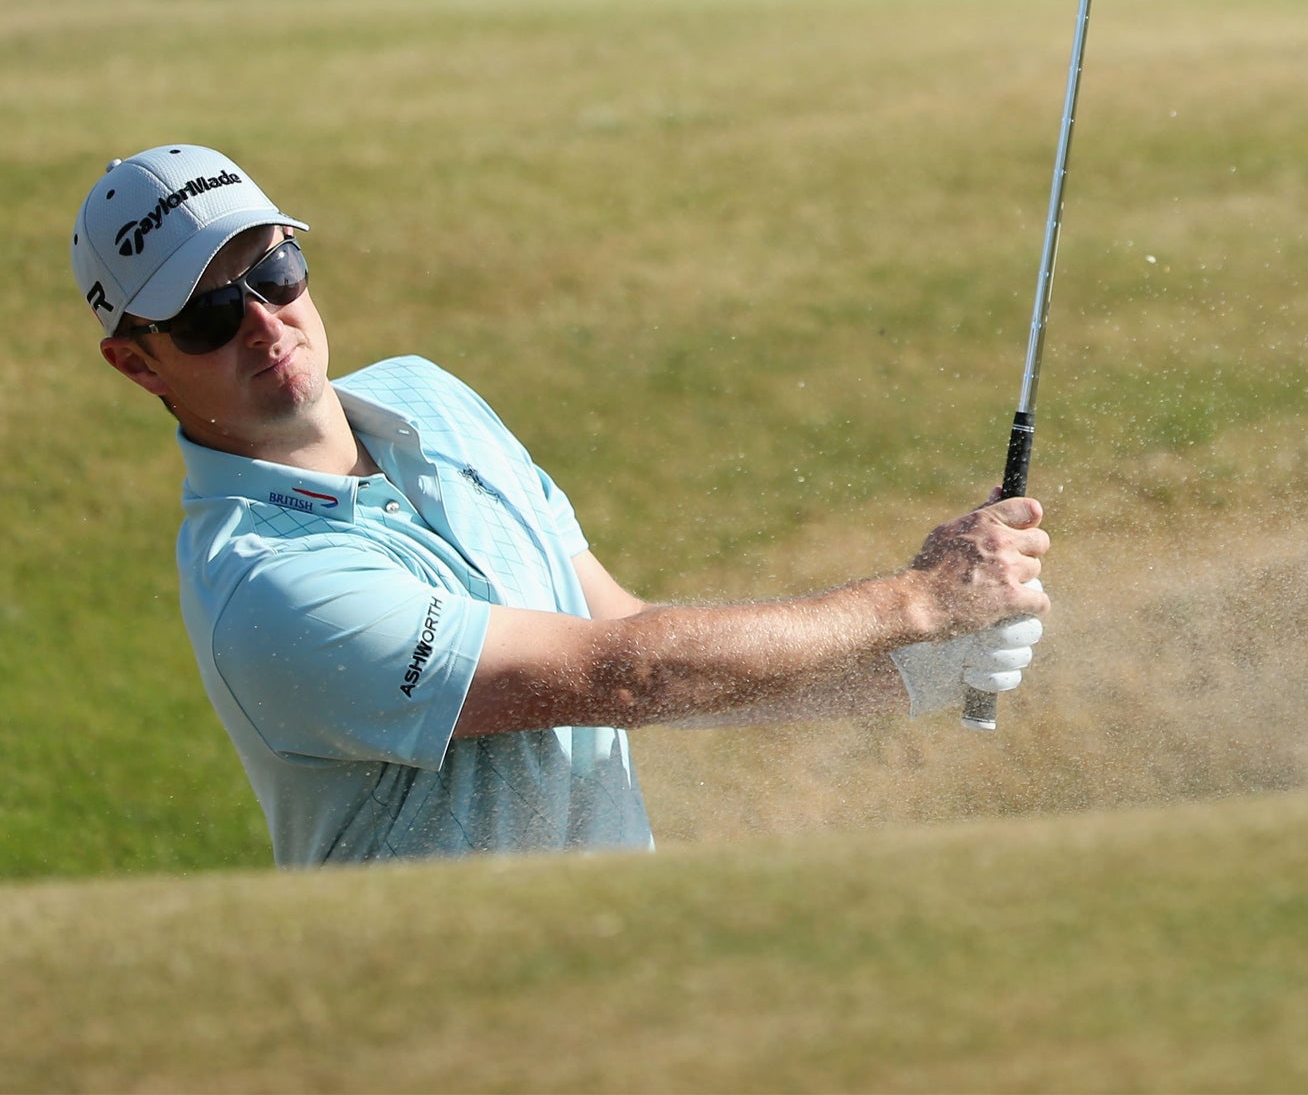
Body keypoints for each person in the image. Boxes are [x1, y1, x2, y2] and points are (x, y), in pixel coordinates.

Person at [73, 144, 1050, 867]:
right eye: (205, 313)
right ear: (135, 363)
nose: (262, 322)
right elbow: (621, 677)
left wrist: (907, 675)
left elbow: (618, 632)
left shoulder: (428, 398)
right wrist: (916, 604)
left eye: (273, 270)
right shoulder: (272, 591)